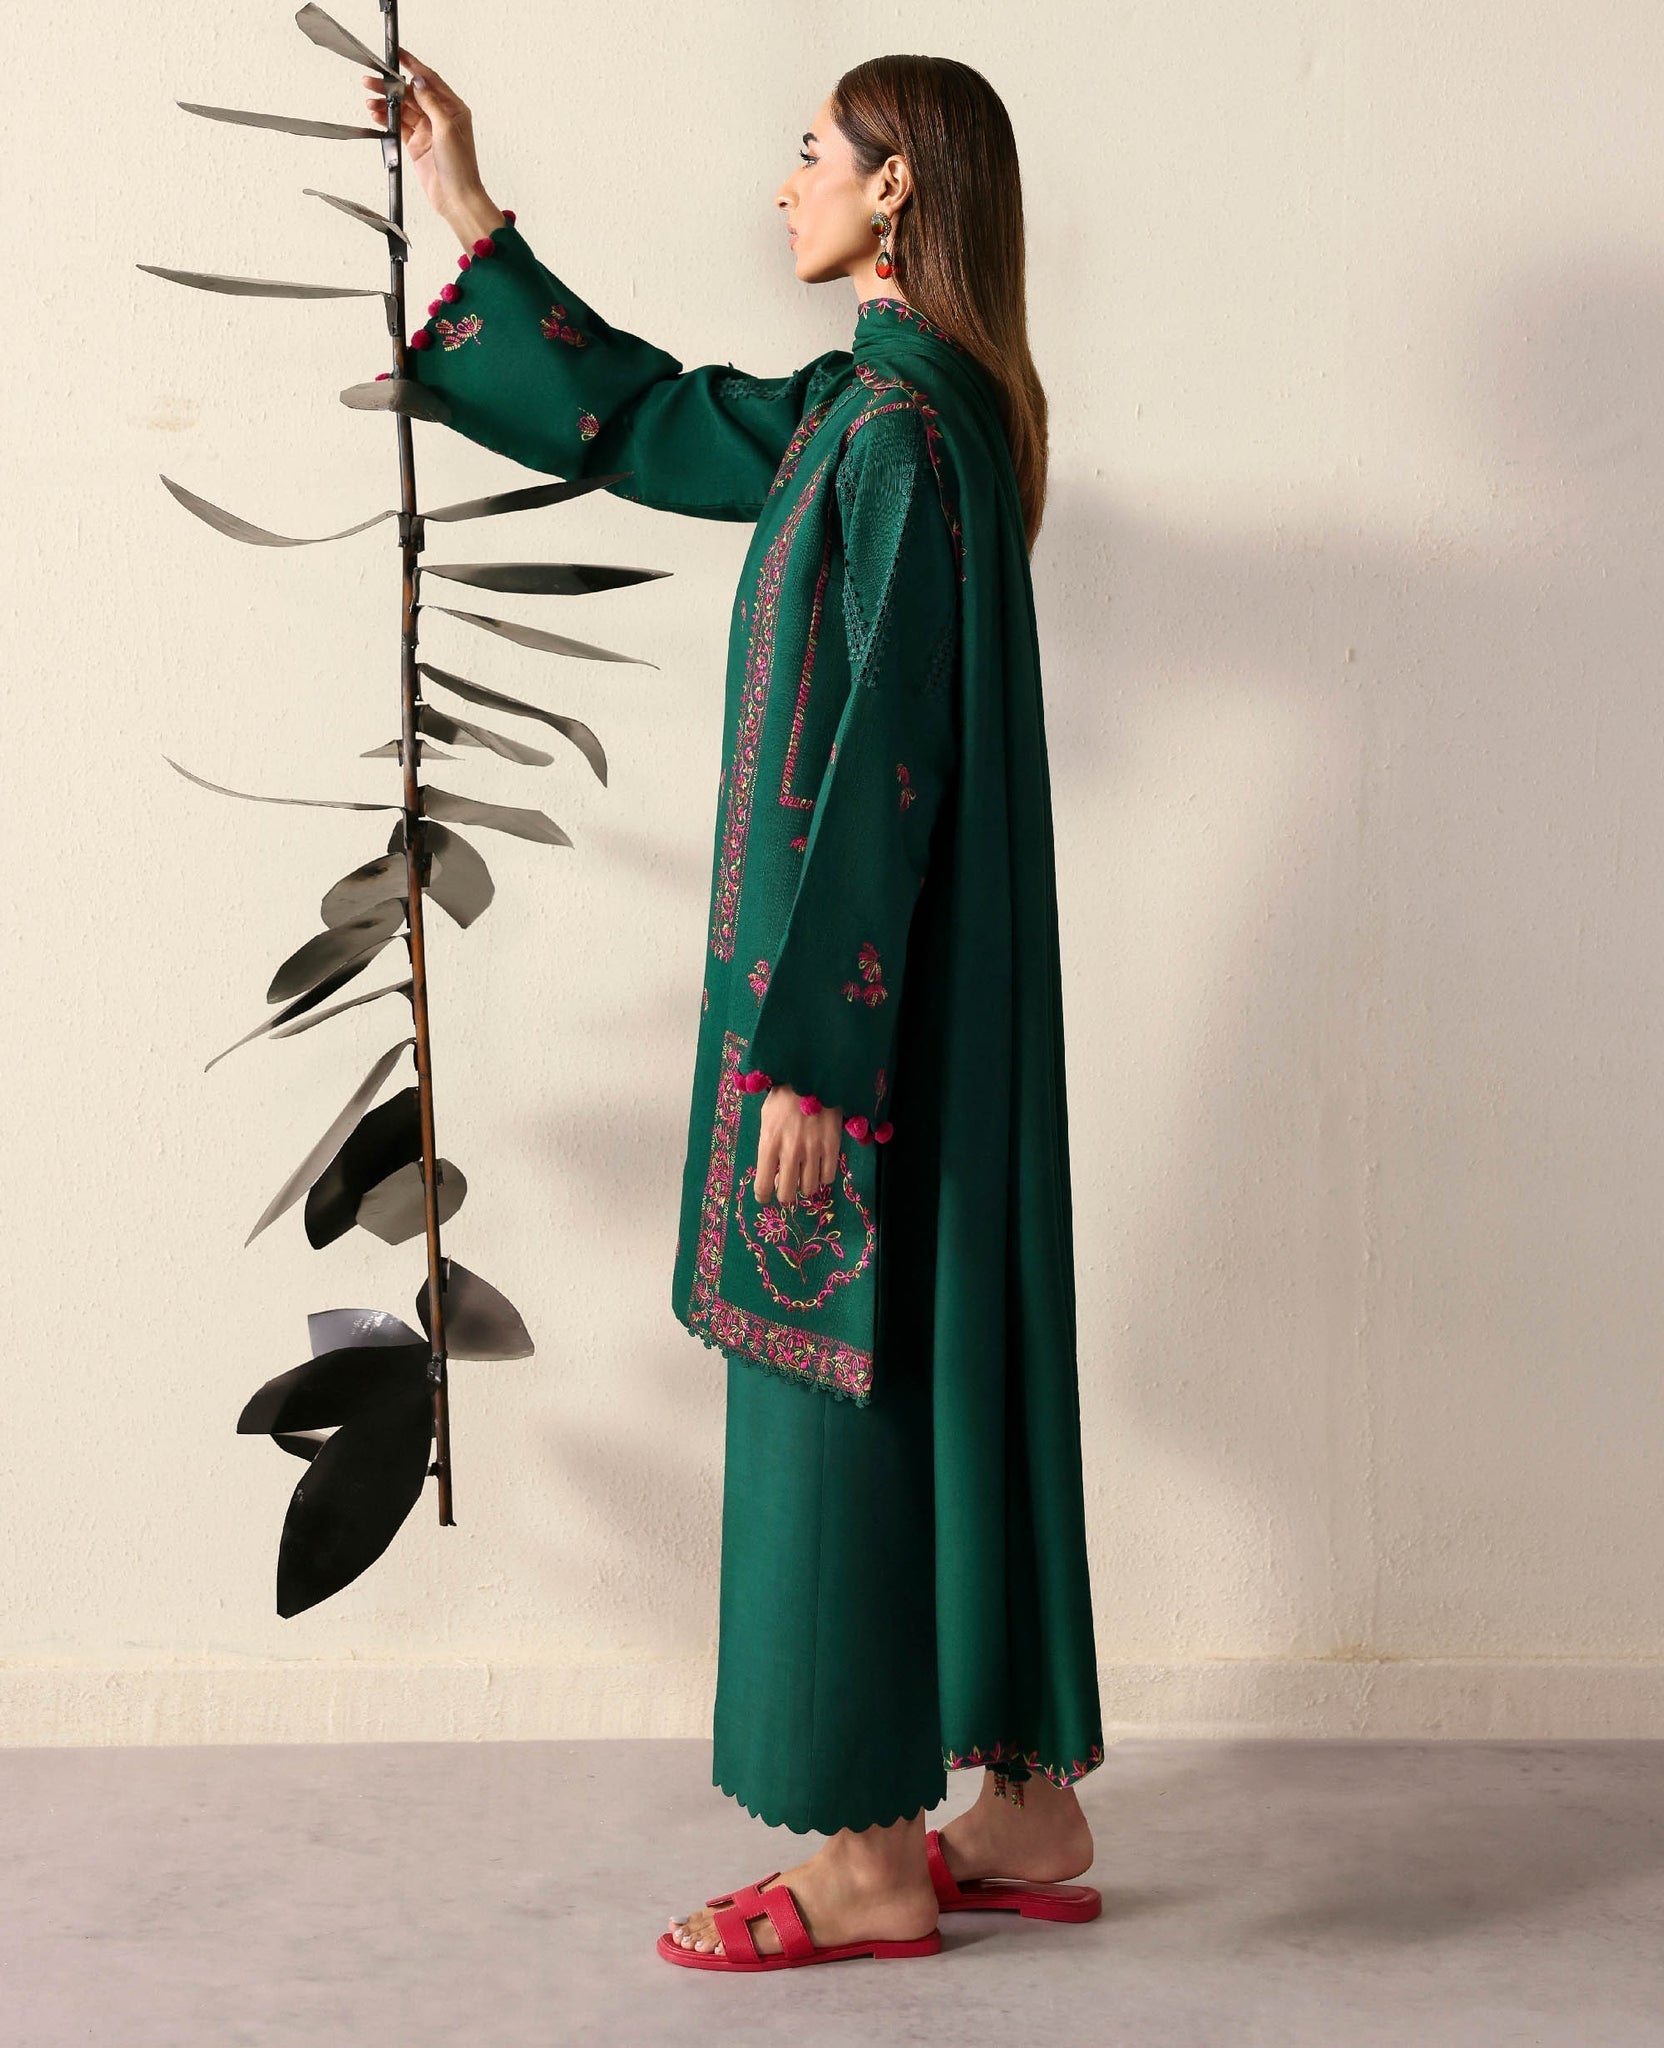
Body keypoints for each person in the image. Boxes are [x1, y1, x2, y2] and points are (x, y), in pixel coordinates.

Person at [366, 49, 1106, 1971]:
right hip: (916, 1011)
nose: (786, 186)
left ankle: (864, 1864)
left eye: (811, 156)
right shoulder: (890, 411)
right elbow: (652, 420)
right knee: (943, 1351)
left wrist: (814, 1062)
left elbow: (883, 760)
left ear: (898, 190)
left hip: (853, 1024)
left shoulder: (898, 437)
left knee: (832, 1370)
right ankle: (1026, 1803)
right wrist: (467, 201)